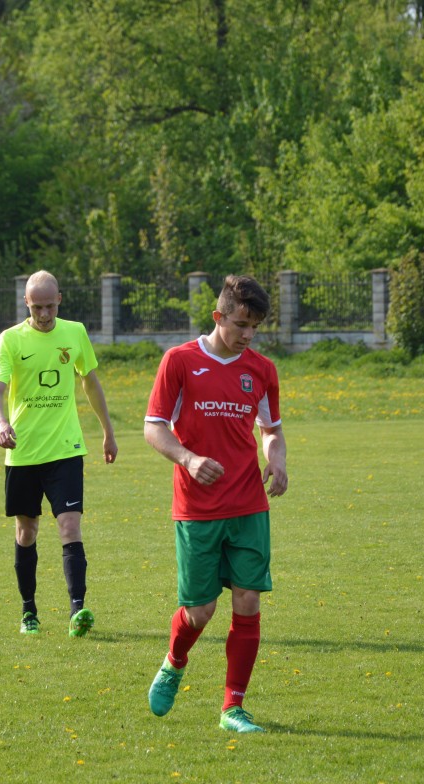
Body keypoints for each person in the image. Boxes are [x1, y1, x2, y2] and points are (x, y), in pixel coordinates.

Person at [143, 274, 288, 734]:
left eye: (255, 327)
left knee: (248, 601)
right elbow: (153, 426)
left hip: (248, 504)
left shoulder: (262, 370)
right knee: (200, 611)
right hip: (197, 508)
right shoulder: (180, 361)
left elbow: (271, 430)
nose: (248, 335)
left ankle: (233, 707)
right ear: (218, 316)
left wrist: (277, 459)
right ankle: (174, 660)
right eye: (241, 324)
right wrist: (188, 459)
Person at [0, 270, 117, 638]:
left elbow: (90, 382)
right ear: (26, 303)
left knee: (70, 526)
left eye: (50, 306)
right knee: (26, 531)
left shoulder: (75, 333)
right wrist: (1, 423)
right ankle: (29, 611)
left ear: (59, 299)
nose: (44, 314)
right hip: (23, 452)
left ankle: (78, 610)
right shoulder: (10, 339)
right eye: (37, 307)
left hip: (66, 449)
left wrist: (108, 432)